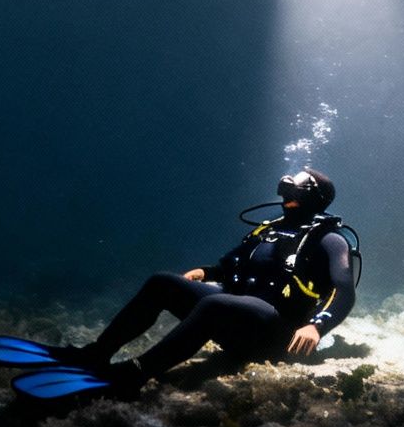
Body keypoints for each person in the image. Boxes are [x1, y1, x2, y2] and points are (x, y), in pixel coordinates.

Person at [47, 166, 358, 393]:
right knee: (162, 282)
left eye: (295, 191)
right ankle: (96, 354)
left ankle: (133, 374)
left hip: (275, 333)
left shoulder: (330, 240)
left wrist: (317, 326)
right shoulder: (268, 229)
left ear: (312, 198)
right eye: (286, 190)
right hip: (235, 317)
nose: (286, 195)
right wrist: (206, 273)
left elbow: (344, 292)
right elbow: (230, 266)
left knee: (215, 304)